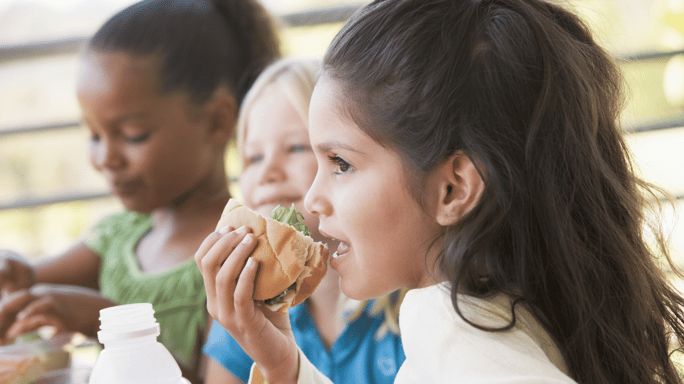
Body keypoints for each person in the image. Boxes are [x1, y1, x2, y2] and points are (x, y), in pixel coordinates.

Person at [195, 0, 684, 383]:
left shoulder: (447, 320)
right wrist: (285, 368)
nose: (315, 198)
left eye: (340, 163)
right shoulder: (509, 305)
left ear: (453, 189)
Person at [0, 0, 279, 382]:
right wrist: (13, 275)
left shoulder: (238, 256)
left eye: (132, 135)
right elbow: (27, 282)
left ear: (216, 122)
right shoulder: (116, 238)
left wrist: (104, 318)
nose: (104, 157)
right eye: (94, 135)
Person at [201, 57, 405, 384]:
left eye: (296, 147)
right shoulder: (246, 306)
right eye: (253, 157)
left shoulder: (414, 304)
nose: (267, 173)